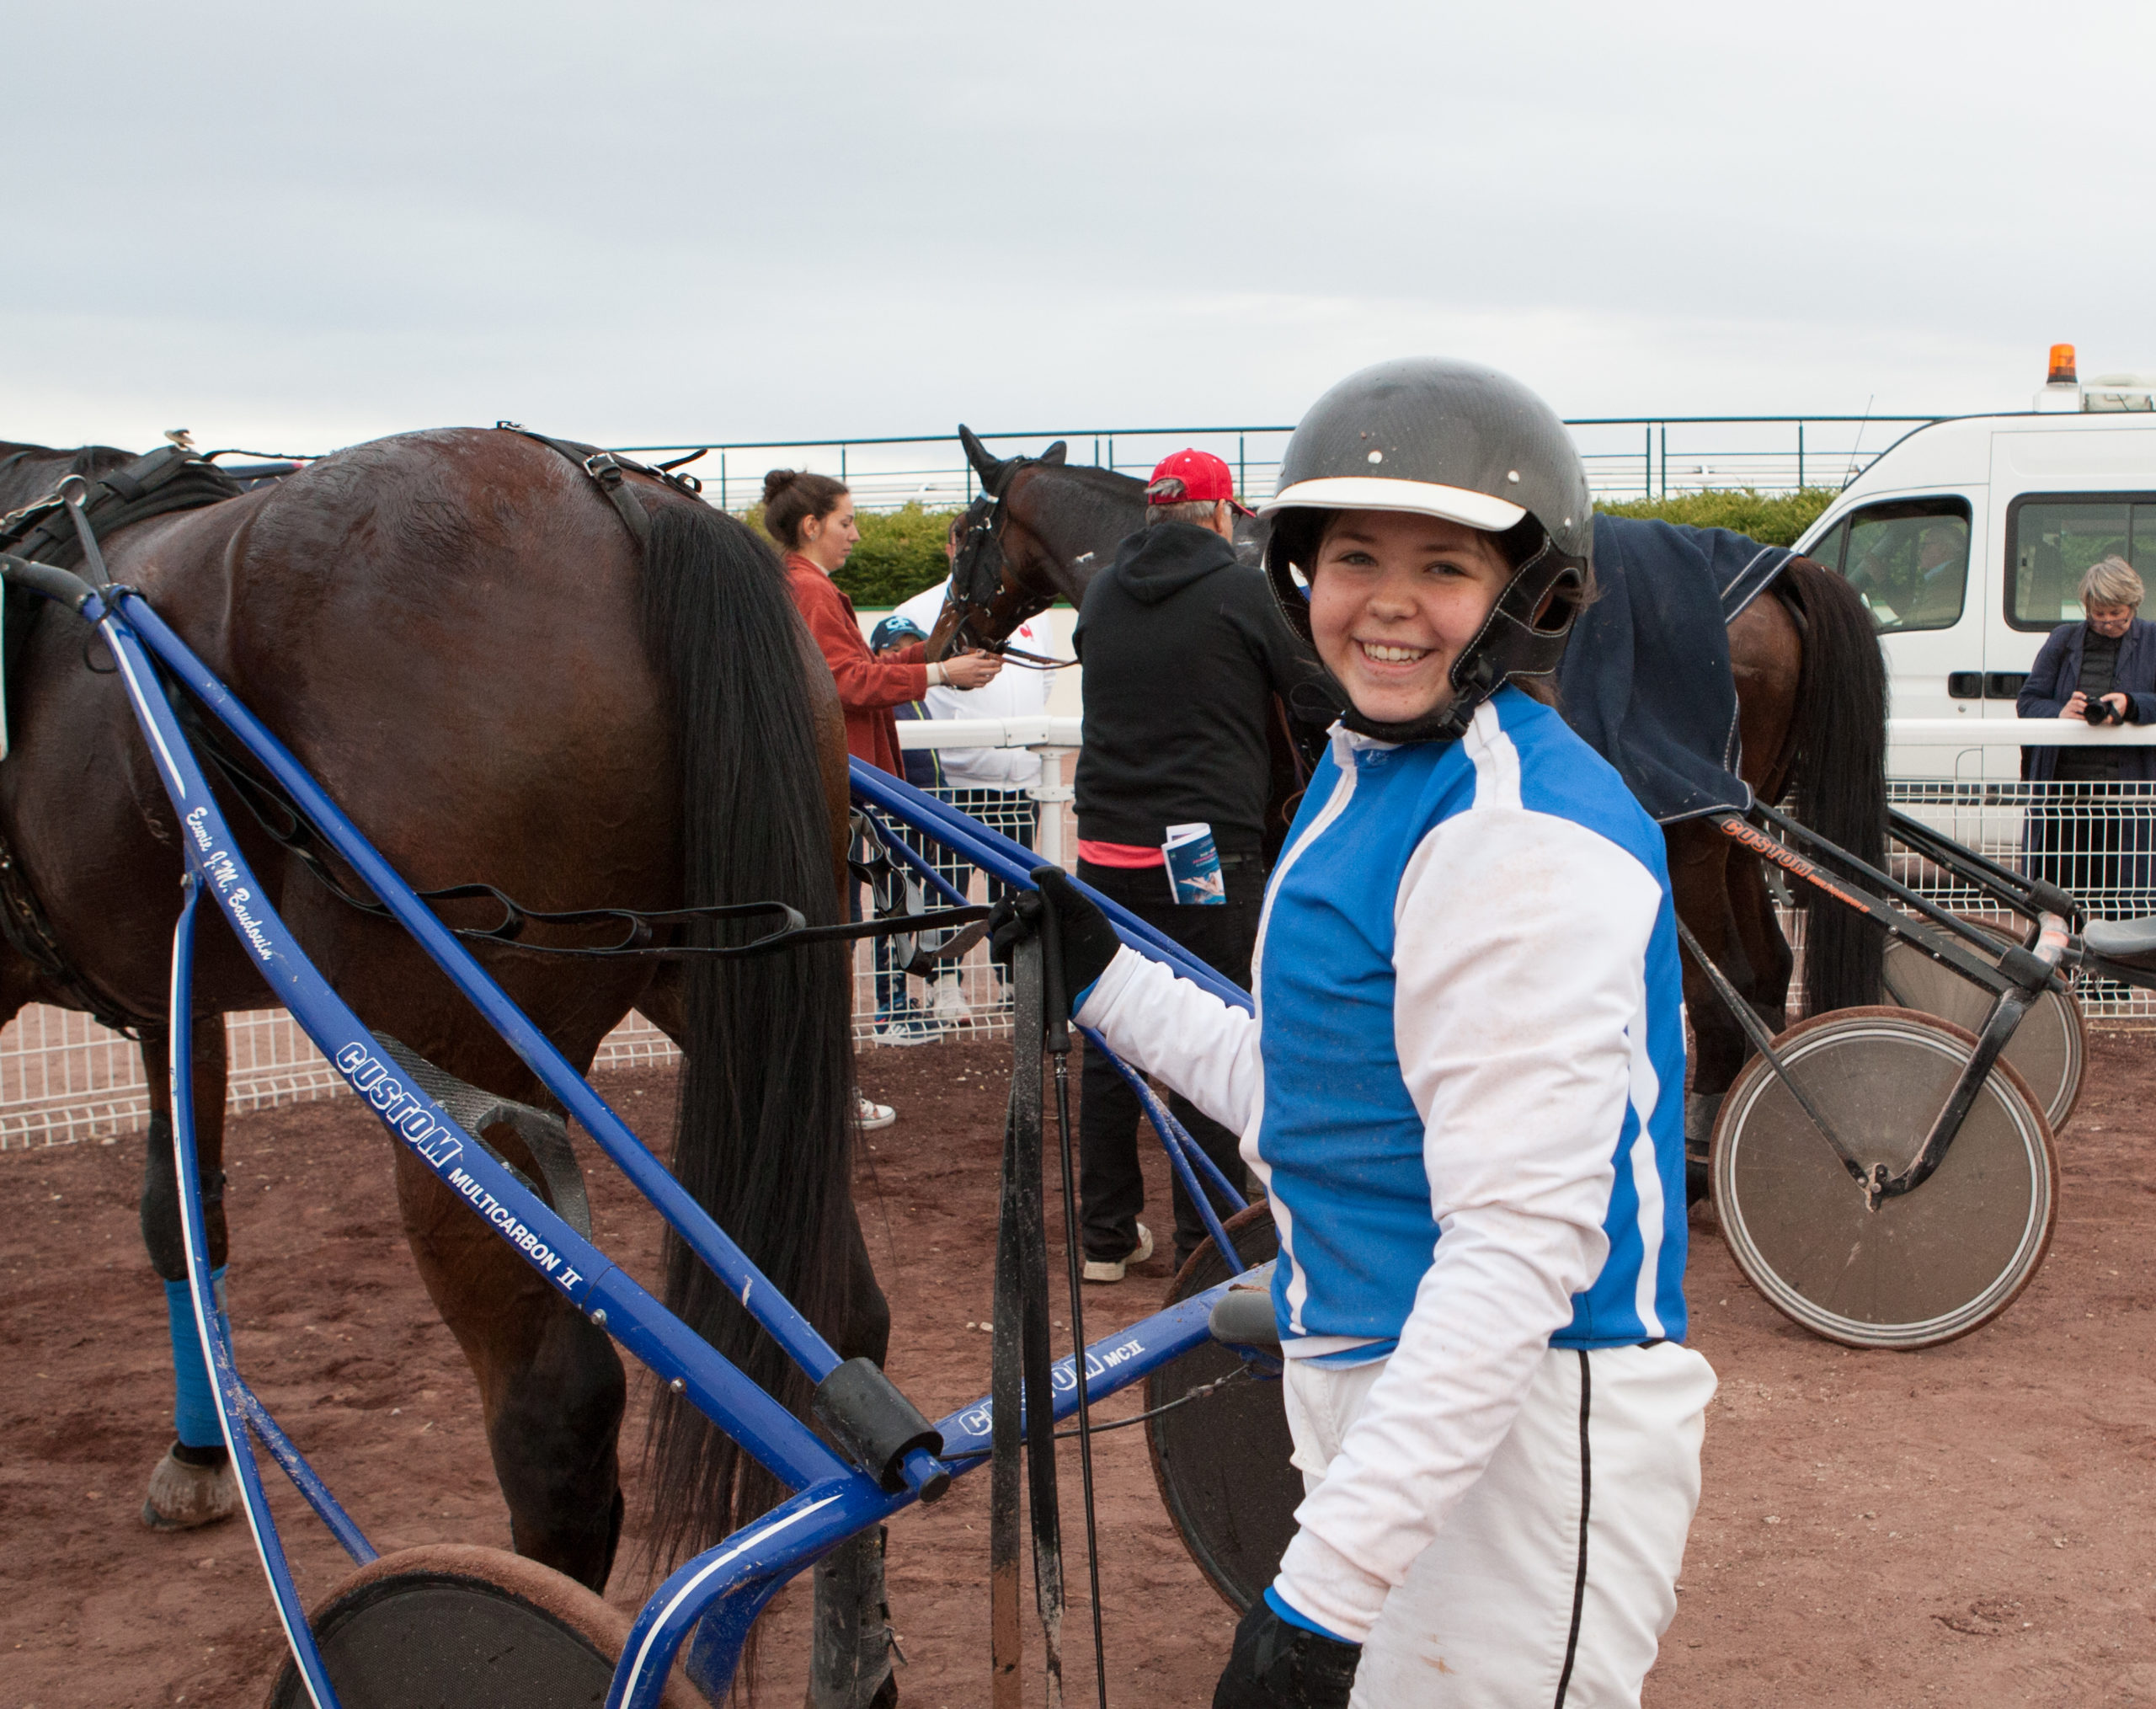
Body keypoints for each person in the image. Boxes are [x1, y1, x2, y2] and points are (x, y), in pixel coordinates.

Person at [1006, 359, 1713, 1708]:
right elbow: (1321, 1099)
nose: (1389, 602)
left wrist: (1317, 1605)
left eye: (1443, 566)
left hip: (1518, 1429)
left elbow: (1517, 1251)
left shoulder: (1516, 834)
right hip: (1384, 1393)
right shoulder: (1369, 773)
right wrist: (1108, 979)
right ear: (1298, 578)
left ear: (1527, 594)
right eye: (1354, 558)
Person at [1070, 447, 1318, 1281]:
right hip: (1204, 855)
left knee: (1109, 1033)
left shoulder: (1101, 591)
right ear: (1221, 515)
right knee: (1210, 1029)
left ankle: (1104, 1235)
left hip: (1102, 847)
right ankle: (1204, 1238)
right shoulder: (1244, 590)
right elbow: (1313, 694)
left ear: (1153, 513)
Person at [766, 469, 1003, 1122]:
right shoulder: (810, 589)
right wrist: (938, 670)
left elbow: (851, 673)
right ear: (812, 526)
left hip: (830, 789)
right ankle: (827, 1093)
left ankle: (814, 1092)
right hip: (837, 789)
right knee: (829, 947)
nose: (856, 533)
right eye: (846, 521)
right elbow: (845, 681)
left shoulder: (800, 585)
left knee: (825, 943)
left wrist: (936, 661)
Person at [894, 514, 1057, 1023]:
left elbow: (1043, 686)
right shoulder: (919, 610)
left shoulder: (1034, 613)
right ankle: (947, 985)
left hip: (1021, 781)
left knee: (1020, 895)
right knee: (949, 893)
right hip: (956, 785)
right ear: (951, 549)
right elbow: (911, 688)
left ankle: (1015, 984)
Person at [2018, 554, 2156, 917]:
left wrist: (2131, 705)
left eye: (2117, 614)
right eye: (2098, 614)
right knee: (2058, 899)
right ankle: (2059, 969)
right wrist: (2061, 712)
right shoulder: (2064, 640)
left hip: (2129, 800)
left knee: (2126, 899)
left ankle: (2116, 972)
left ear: (2134, 605)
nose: (2108, 622)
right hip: (2066, 797)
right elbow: (2028, 701)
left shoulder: (2154, 640)